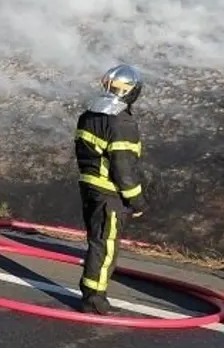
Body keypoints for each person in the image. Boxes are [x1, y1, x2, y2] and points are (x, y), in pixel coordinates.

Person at [74, 63, 148, 315]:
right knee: (105, 246)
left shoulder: (88, 115)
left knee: (96, 242)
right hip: (109, 194)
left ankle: (91, 294)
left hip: (89, 187)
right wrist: (136, 201)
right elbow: (124, 169)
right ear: (132, 91)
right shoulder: (121, 123)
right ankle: (94, 300)